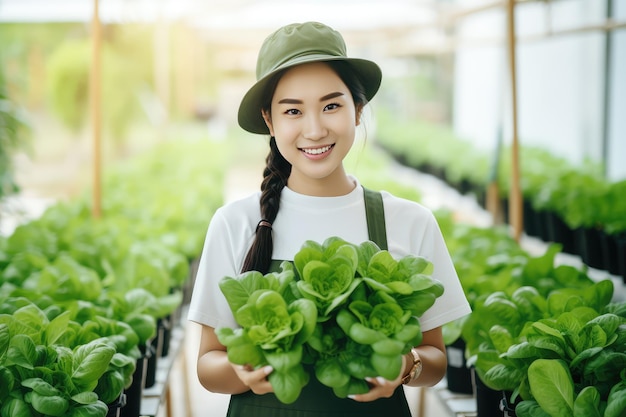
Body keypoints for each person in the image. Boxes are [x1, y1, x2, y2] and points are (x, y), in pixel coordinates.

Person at [188, 21, 471, 416]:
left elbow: (435, 359)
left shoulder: (409, 220)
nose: (315, 129)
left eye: (331, 105)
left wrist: (406, 365)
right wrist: (240, 370)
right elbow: (207, 366)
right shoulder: (235, 221)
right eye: (293, 111)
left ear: (358, 110)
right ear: (270, 122)